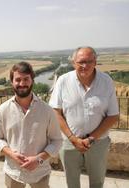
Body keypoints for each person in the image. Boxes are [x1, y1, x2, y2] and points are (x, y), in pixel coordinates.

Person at [49, 46, 119, 188]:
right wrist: (73, 138)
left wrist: (91, 138)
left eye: (89, 61)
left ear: (95, 62)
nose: (85, 66)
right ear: (74, 63)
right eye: (81, 62)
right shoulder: (63, 81)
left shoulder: (106, 81)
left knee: (97, 182)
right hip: (69, 142)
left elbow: (113, 116)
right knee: (72, 182)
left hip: (98, 142)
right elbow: (56, 112)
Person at [0, 62, 63, 188]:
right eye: (18, 79)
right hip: (13, 172)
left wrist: (39, 159)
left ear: (32, 81)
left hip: (40, 172)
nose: (22, 83)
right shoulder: (3, 110)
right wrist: (11, 154)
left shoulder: (47, 110)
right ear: (11, 82)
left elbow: (56, 141)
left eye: (26, 79)